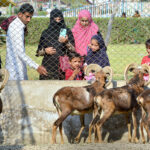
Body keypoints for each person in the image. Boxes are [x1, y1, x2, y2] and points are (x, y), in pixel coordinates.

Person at [5, 3, 47, 80]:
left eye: (30, 17)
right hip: (15, 69)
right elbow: (20, 52)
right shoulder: (16, 27)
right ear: (20, 14)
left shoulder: (18, 25)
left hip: (16, 66)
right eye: (27, 16)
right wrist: (36, 66)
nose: (29, 20)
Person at [36, 8, 75, 80]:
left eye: (59, 19)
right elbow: (38, 52)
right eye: (55, 19)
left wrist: (66, 42)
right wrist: (45, 51)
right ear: (51, 19)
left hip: (63, 66)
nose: (57, 22)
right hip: (48, 65)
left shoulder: (66, 31)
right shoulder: (46, 33)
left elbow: (73, 49)